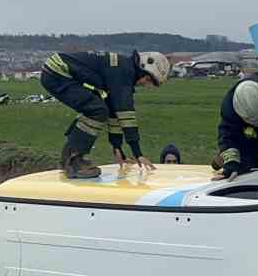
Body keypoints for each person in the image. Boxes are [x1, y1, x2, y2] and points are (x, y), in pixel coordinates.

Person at [39, 49, 172, 179]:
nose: (145, 84)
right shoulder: (124, 73)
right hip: (58, 73)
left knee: (98, 109)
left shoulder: (123, 68)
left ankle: (70, 157)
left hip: (56, 71)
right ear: (142, 68)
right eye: (148, 80)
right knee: (97, 111)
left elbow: (113, 112)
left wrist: (117, 147)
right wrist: (138, 154)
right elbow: (126, 116)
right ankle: (73, 163)